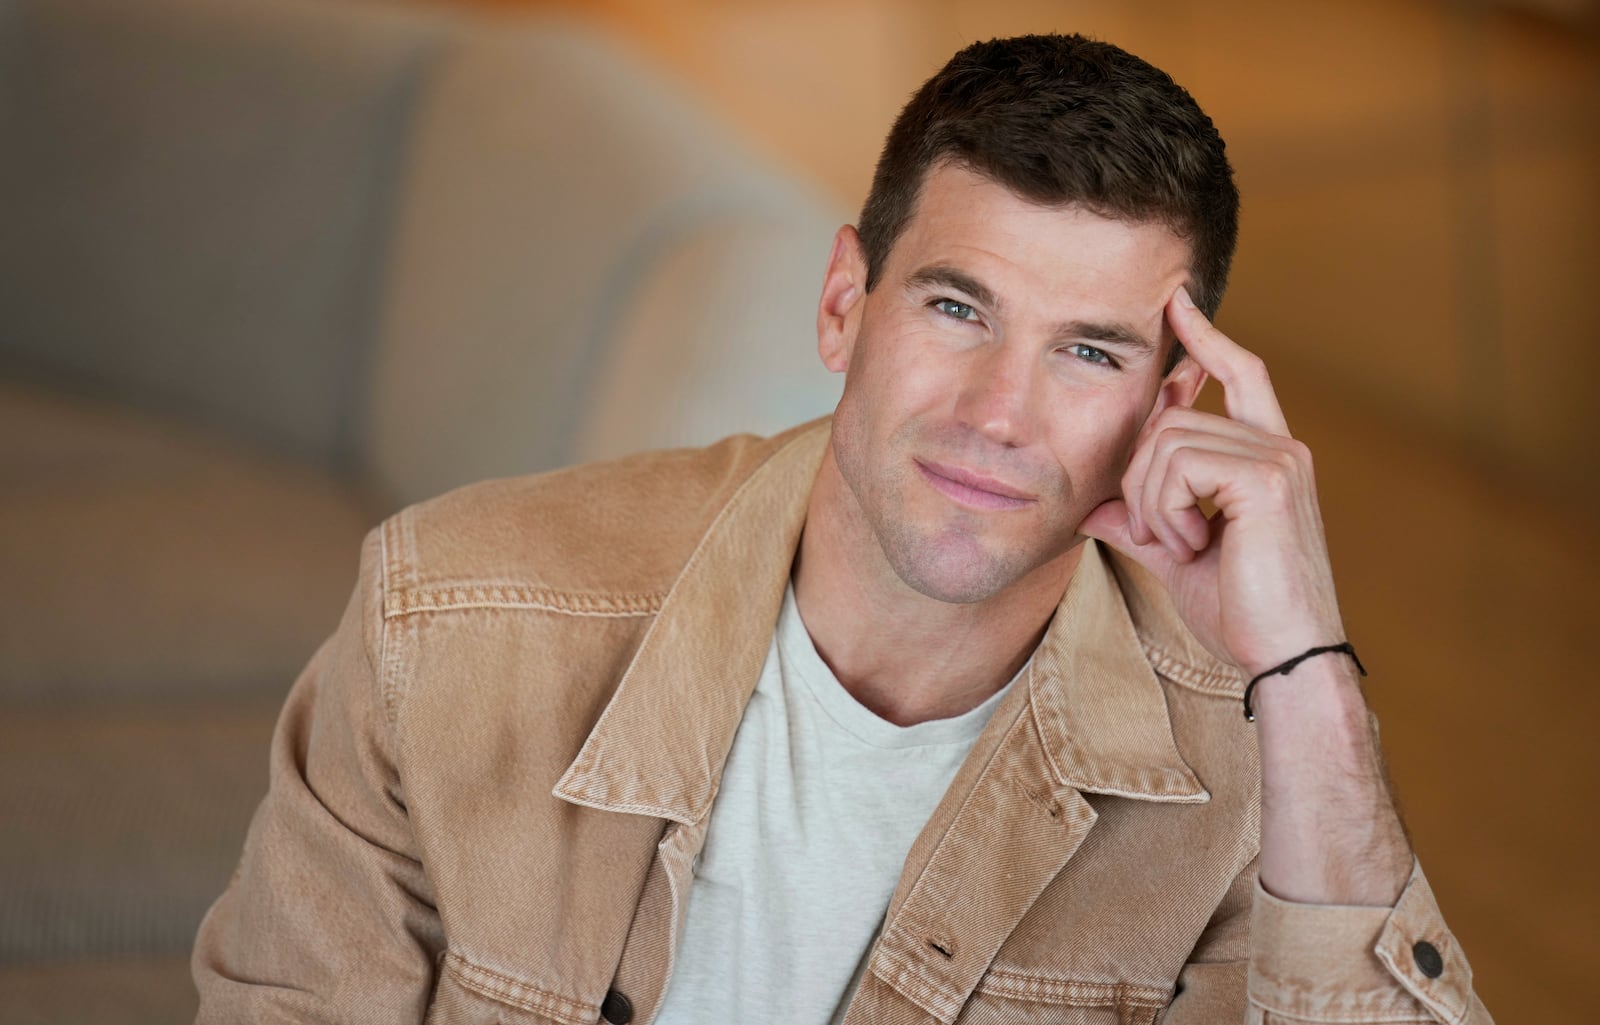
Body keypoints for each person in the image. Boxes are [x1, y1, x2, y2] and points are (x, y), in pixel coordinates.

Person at [193, 33, 1493, 1025]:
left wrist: (1308, 672)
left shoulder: (1259, 767)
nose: (1000, 413)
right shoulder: (451, 619)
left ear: (1172, 407)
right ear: (839, 307)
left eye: (1088, 352)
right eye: (957, 308)